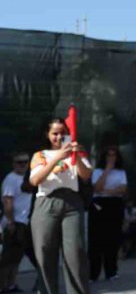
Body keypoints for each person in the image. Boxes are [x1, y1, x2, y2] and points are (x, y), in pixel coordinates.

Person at [28, 118, 92, 294]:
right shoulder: (40, 155)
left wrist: (75, 155)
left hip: (72, 203)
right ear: (48, 135)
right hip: (46, 202)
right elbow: (35, 180)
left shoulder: (78, 152)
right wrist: (57, 157)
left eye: (63, 133)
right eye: (55, 133)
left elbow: (85, 175)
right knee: (45, 254)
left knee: (76, 256)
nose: (59, 137)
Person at [1, 154, 43, 294]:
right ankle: (3, 286)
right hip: (14, 223)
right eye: (19, 162)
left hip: (26, 223)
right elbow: (7, 202)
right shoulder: (10, 179)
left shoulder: (28, 178)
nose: (23, 165)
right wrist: (11, 222)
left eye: (26, 162)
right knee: (8, 259)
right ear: (13, 164)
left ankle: (11, 285)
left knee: (16, 259)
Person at [88, 146, 127, 281]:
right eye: (108, 155)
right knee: (96, 239)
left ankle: (111, 271)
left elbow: (122, 190)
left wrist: (106, 191)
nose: (111, 158)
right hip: (99, 204)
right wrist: (107, 170)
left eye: (114, 155)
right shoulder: (97, 171)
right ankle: (93, 273)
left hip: (115, 205)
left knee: (113, 238)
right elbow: (97, 188)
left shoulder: (121, 172)